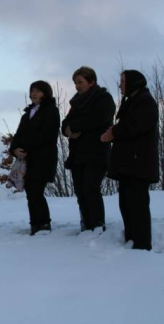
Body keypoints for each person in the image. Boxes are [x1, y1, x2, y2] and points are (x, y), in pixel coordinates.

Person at [101, 70, 158, 251]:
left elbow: (137, 125)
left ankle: (141, 244)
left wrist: (114, 132)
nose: (120, 85)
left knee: (137, 205)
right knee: (126, 204)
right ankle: (131, 239)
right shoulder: (132, 101)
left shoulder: (145, 101)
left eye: (123, 81)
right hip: (129, 164)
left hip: (138, 163)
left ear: (134, 82)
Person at [62, 66, 115, 232]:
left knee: (90, 188)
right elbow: (65, 123)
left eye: (80, 82)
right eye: (75, 83)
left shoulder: (103, 98)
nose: (77, 86)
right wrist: (67, 130)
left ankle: (97, 224)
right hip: (77, 153)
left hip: (96, 151)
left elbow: (99, 119)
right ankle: (86, 223)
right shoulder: (76, 103)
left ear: (91, 81)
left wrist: (76, 127)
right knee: (80, 190)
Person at [10, 81, 60, 235]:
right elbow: (18, 135)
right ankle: (35, 224)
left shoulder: (51, 111)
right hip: (27, 160)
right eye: (32, 90)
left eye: (38, 91)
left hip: (43, 158)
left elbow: (48, 135)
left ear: (46, 93)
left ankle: (44, 223)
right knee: (30, 191)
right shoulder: (27, 114)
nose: (34, 93)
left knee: (36, 191)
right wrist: (14, 149)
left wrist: (26, 147)